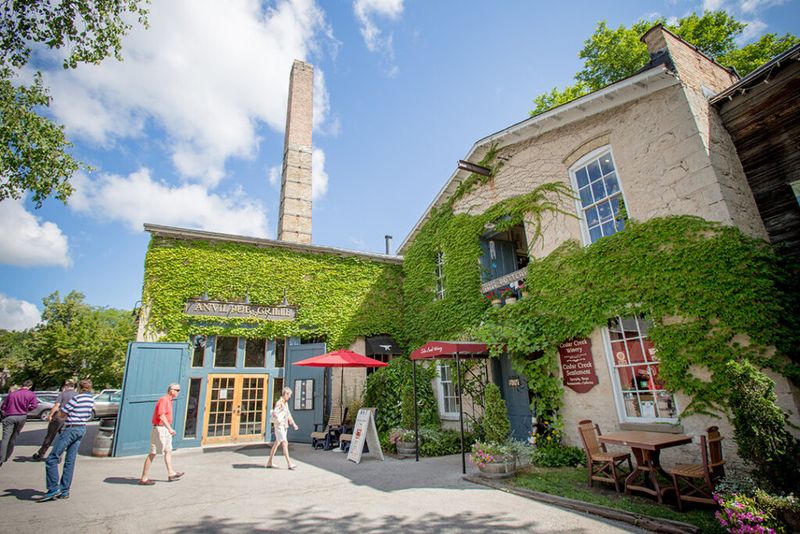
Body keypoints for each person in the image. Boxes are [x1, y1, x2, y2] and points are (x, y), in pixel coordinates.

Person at [39, 379, 94, 502]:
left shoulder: (77, 399)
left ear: (79, 388)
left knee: (52, 458)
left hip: (71, 428)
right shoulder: (90, 400)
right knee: (70, 460)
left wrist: (57, 416)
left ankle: (53, 488)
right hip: (81, 428)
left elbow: (63, 413)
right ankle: (65, 490)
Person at [138, 383, 184, 485]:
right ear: (171, 390)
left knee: (168, 451)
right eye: (177, 390)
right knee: (153, 453)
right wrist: (170, 429)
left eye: (179, 390)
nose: (178, 392)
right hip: (160, 429)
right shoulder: (164, 400)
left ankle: (171, 473)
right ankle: (144, 478)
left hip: (165, 430)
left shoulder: (170, 401)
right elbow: (161, 416)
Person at [33, 381, 77, 461]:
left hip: (59, 417)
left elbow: (57, 405)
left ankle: (41, 454)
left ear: (66, 386)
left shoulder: (63, 394)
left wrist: (50, 415)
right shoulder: (77, 395)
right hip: (69, 418)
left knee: (50, 436)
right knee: (63, 438)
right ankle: (59, 456)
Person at [0, 379, 38, 467]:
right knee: (14, 436)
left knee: (5, 438)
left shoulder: (12, 394)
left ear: (22, 385)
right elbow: (34, 405)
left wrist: (4, 413)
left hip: (10, 416)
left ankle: (1, 458)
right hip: (21, 416)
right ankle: (6, 456)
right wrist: (26, 409)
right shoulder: (31, 394)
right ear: (30, 386)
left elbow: (3, 406)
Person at [267, 387, 299, 469]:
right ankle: (289, 463)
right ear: (285, 394)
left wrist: (294, 424)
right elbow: (275, 413)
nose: (290, 396)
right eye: (289, 395)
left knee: (277, 443)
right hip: (279, 426)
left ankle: (269, 462)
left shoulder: (285, 403)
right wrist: (275, 413)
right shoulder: (279, 403)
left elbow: (288, 415)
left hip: (284, 426)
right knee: (285, 443)